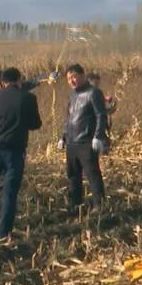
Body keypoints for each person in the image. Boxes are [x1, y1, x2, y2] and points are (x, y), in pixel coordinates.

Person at [0, 67, 42, 240]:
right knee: (10, 190)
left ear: (3, 82)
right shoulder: (28, 98)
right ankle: (3, 232)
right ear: (19, 80)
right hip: (16, 149)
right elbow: (35, 124)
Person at [58, 64, 109, 214]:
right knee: (73, 176)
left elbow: (101, 115)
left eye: (74, 77)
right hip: (72, 142)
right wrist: (63, 137)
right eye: (68, 78)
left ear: (82, 75)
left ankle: (99, 205)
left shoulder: (94, 93)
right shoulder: (72, 95)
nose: (71, 81)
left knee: (92, 174)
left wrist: (98, 136)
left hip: (86, 142)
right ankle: (77, 205)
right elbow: (69, 118)